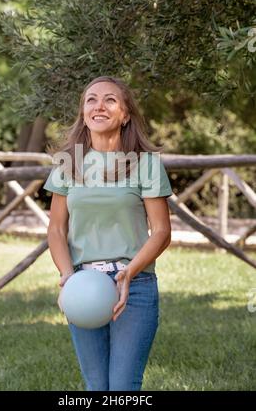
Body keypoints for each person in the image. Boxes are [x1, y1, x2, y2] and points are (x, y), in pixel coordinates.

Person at [43, 75, 173, 391]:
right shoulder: (68, 162)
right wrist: (66, 276)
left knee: (123, 387)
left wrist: (131, 272)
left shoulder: (146, 164)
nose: (99, 106)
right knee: (96, 386)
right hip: (83, 286)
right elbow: (57, 229)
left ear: (125, 114)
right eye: (91, 99)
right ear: (83, 112)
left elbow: (161, 232)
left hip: (135, 285)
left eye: (110, 100)